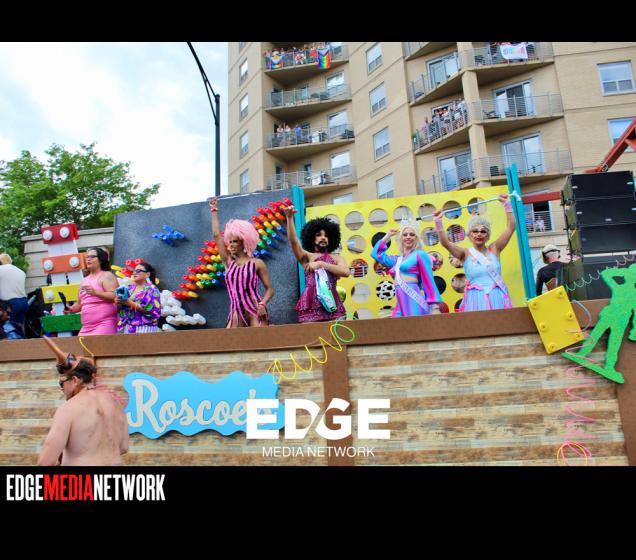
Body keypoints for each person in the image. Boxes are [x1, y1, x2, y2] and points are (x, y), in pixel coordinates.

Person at [37, 335, 128, 466]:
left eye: (61, 383)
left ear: (75, 380)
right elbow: (124, 447)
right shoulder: (115, 403)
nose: (61, 388)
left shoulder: (68, 409)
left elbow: (46, 462)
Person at [434, 194, 516, 311]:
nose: (479, 234)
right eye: (475, 231)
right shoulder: (464, 253)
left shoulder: (495, 248)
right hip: (475, 300)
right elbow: (445, 243)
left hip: (497, 297)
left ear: (488, 236)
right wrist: (438, 222)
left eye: (483, 231)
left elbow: (510, 227)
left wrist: (507, 204)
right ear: (469, 235)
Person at [209, 198, 274, 327]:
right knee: (231, 339)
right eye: (230, 241)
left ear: (244, 242)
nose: (231, 245)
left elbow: (270, 289)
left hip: (255, 309)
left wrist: (262, 304)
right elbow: (216, 235)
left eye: (235, 241)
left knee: (260, 339)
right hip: (235, 311)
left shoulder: (257, 263)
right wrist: (214, 210)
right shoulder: (228, 262)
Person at [281, 204, 349, 322]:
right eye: (319, 235)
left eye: (326, 236)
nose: (323, 238)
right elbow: (293, 241)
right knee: (310, 334)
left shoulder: (337, 258)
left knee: (334, 334)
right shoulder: (307, 257)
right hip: (310, 305)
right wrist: (290, 218)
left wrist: (321, 264)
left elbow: (346, 272)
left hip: (331, 304)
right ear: (312, 238)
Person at [371, 223, 442, 317]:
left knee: (414, 326)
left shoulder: (420, 255)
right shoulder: (397, 260)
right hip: (400, 303)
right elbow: (376, 254)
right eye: (405, 235)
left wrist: (435, 307)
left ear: (416, 238)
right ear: (401, 238)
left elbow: (428, 281)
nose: (408, 237)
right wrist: (387, 236)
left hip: (413, 299)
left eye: (412, 235)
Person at [64, 247, 118, 335]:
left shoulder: (107, 275)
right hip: (86, 326)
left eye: (92, 257)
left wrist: (96, 293)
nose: (88, 259)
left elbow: (115, 296)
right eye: (87, 257)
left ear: (100, 260)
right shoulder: (84, 280)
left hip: (104, 323)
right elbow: (79, 304)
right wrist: (71, 309)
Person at [115, 262, 162, 333]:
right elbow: (120, 309)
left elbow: (151, 310)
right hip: (128, 327)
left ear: (147, 274)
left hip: (145, 328)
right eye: (134, 271)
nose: (134, 273)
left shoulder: (152, 289)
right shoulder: (130, 288)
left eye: (138, 270)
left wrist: (129, 303)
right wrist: (119, 302)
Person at [0, 253, 28, 332]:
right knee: (19, 329)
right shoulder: (21, 272)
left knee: (8, 329)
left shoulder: (1, 269)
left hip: (9, 305)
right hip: (24, 303)